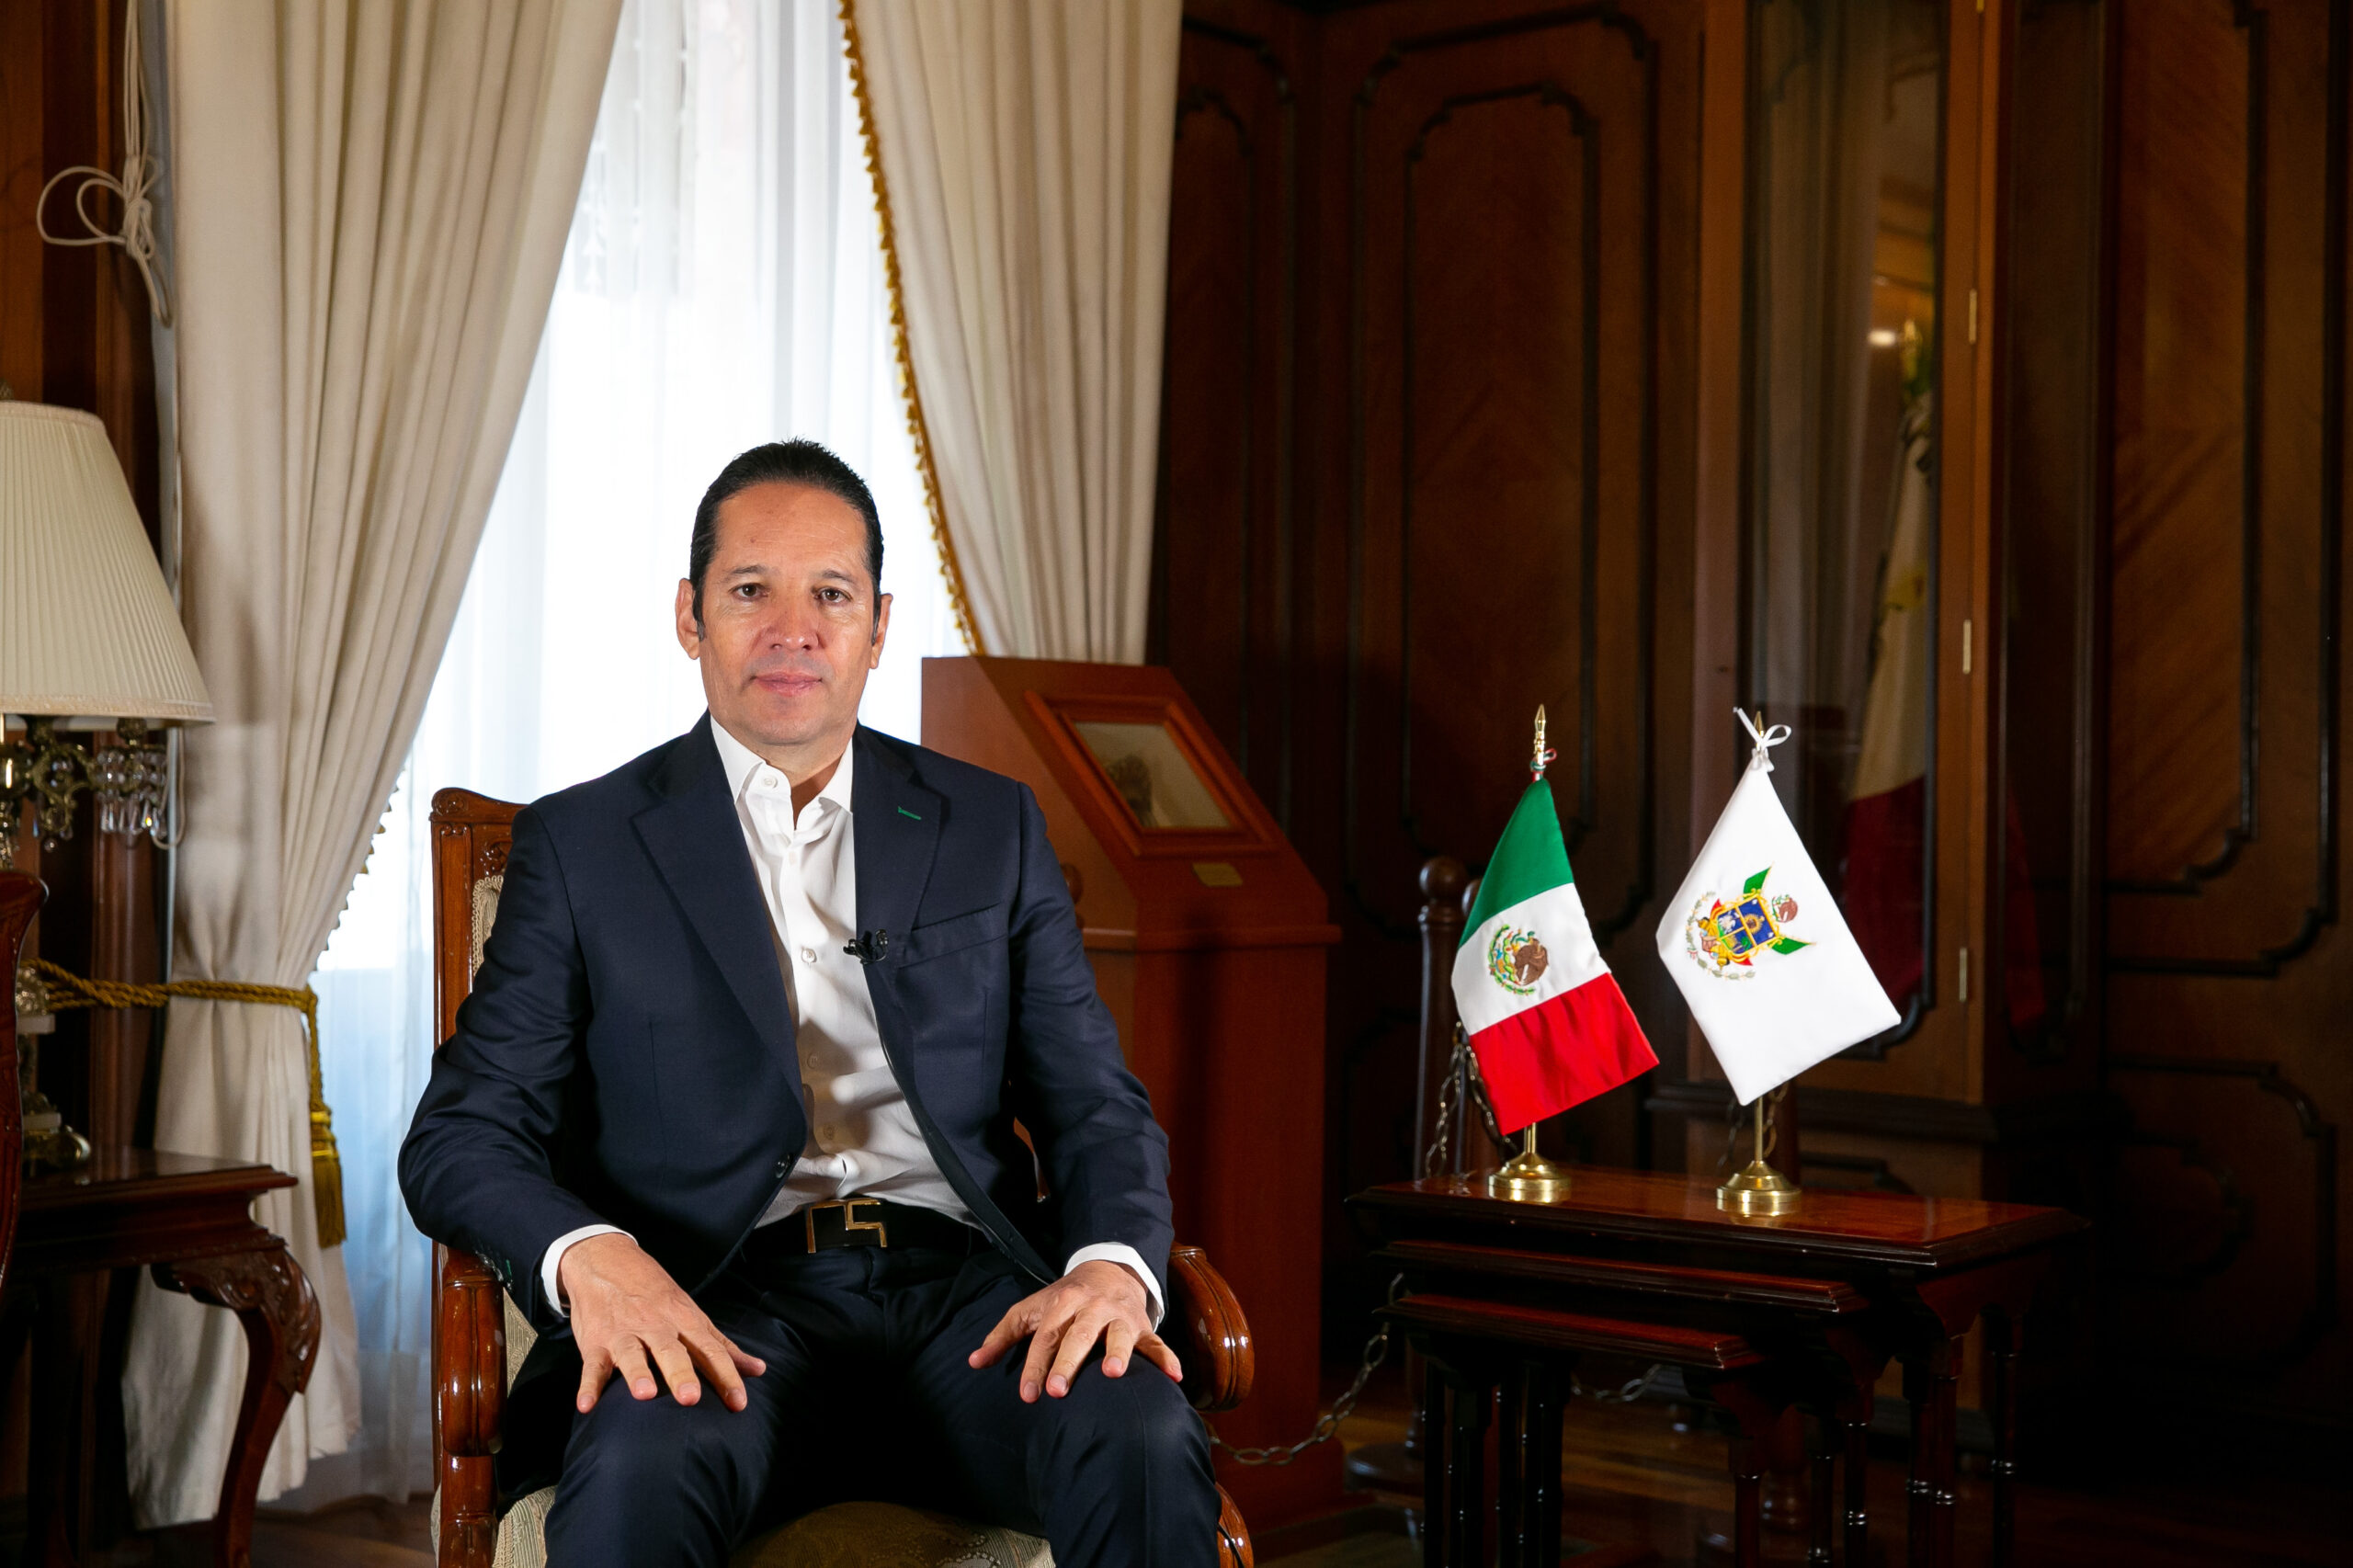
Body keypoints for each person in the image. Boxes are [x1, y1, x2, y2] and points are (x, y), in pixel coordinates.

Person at [400, 440, 1217, 1567]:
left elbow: (1095, 1105)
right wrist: (593, 1257)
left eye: (830, 594)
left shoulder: (991, 826)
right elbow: (461, 1134)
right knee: (641, 1460)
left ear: (877, 626)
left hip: (967, 1304)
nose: (793, 629)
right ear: (689, 615)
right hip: (717, 1300)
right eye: (751, 590)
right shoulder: (582, 844)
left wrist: (1109, 1267)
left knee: (1138, 1426)